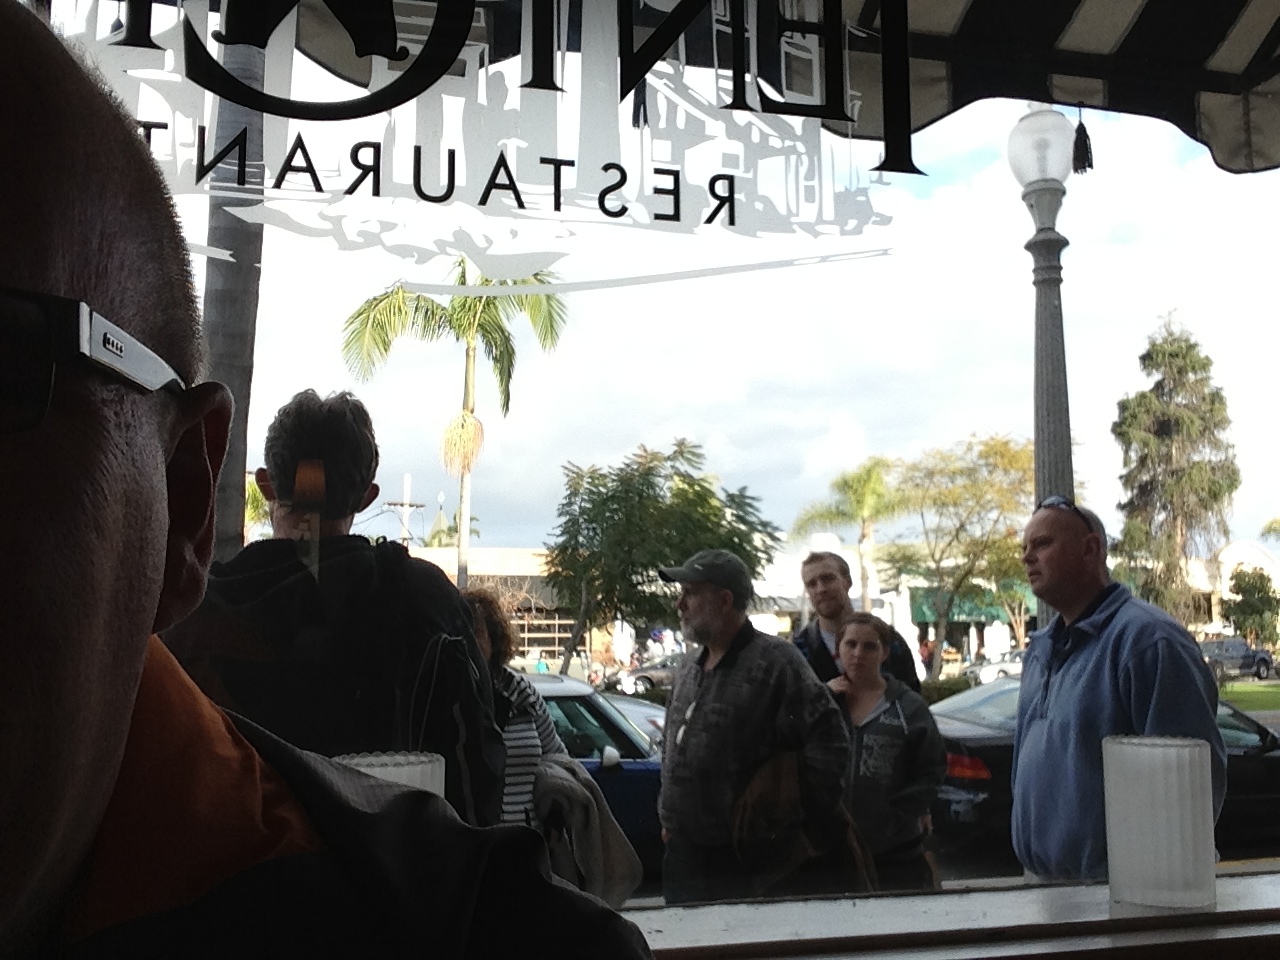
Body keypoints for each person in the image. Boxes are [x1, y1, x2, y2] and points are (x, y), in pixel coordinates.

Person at [0, 8, 650, 956]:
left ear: (218, 487)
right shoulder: (470, 909)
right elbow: (475, 794)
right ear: (372, 487)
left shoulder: (197, 612)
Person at [165, 388, 504, 828]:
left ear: (266, 483)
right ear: (366, 496)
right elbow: (477, 770)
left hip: (239, 882)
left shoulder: (198, 608)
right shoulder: (421, 601)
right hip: (385, 882)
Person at [1012, 496, 1227, 881]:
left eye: (1042, 544)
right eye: (1024, 548)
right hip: (1043, 889)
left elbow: (1188, 786)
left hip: (1122, 895)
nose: (1028, 558)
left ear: (1091, 548)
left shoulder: (1149, 641)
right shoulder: (1041, 649)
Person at [656, 549, 853, 904]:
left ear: (725, 599)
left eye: (691, 593)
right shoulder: (689, 666)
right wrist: (671, 820)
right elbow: (673, 746)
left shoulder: (777, 662)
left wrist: (792, 826)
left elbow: (830, 743)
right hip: (683, 858)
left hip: (745, 866)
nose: (680, 605)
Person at [827, 614, 945, 891]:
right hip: (834, 851)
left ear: (884, 652)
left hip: (897, 852)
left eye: (869, 646)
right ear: (838, 649)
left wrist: (898, 813)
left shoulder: (908, 707)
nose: (858, 654)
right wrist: (822, 697)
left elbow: (933, 768)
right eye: (851, 644)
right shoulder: (824, 702)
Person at [462, 587, 567, 828]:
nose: (469, 642)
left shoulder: (522, 693)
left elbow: (558, 758)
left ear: (494, 638)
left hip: (528, 845)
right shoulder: (446, 696)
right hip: (471, 847)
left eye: (476, 632)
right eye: (462, 632)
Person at [793, 551, 921, 692]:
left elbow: (913, 702)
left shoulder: (888, 640)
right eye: (812, 584)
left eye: (828, 578)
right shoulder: (798, 651)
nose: (821, 589)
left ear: (848, 581)